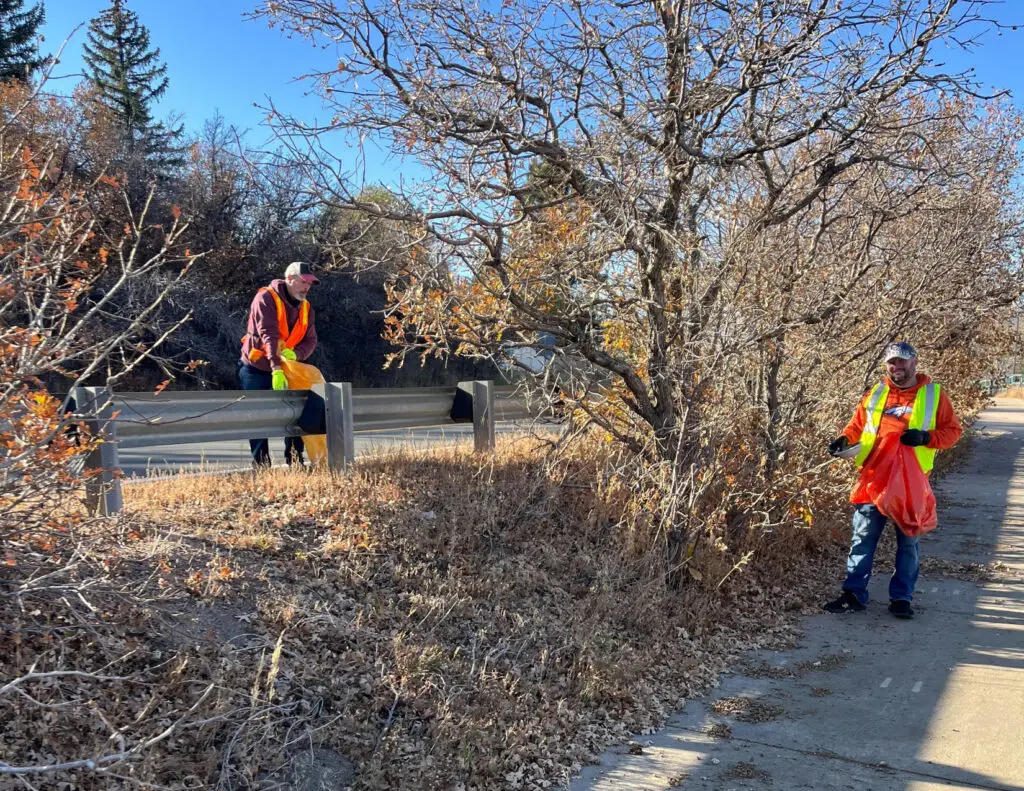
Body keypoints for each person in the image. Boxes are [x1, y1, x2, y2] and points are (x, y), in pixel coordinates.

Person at [823, 341, 962, 619]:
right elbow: (857, 426)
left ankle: (901, 598)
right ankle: (853, 594)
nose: (896, 367)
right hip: (873, 480)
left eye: (902, 362)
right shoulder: (876, 393)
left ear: (914, 362)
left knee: (908, 544)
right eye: (891, 362)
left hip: (911, 485)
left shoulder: (934, 394)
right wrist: (844, 440)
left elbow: (953, 432)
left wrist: (926, 438)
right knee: (862, 539)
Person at [239, 261, 320, 468]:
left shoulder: (306, 308)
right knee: (258, 416)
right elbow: (269, 336)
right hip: (257, 367)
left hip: (289, 368)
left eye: (310, 284)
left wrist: (296, 354)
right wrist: (276, 369)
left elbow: (311, 340)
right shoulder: (265, 298)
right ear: (289, 279)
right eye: (303, 282)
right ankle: (261, 466)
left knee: (296, 414)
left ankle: (294, 461)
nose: (306, 288)